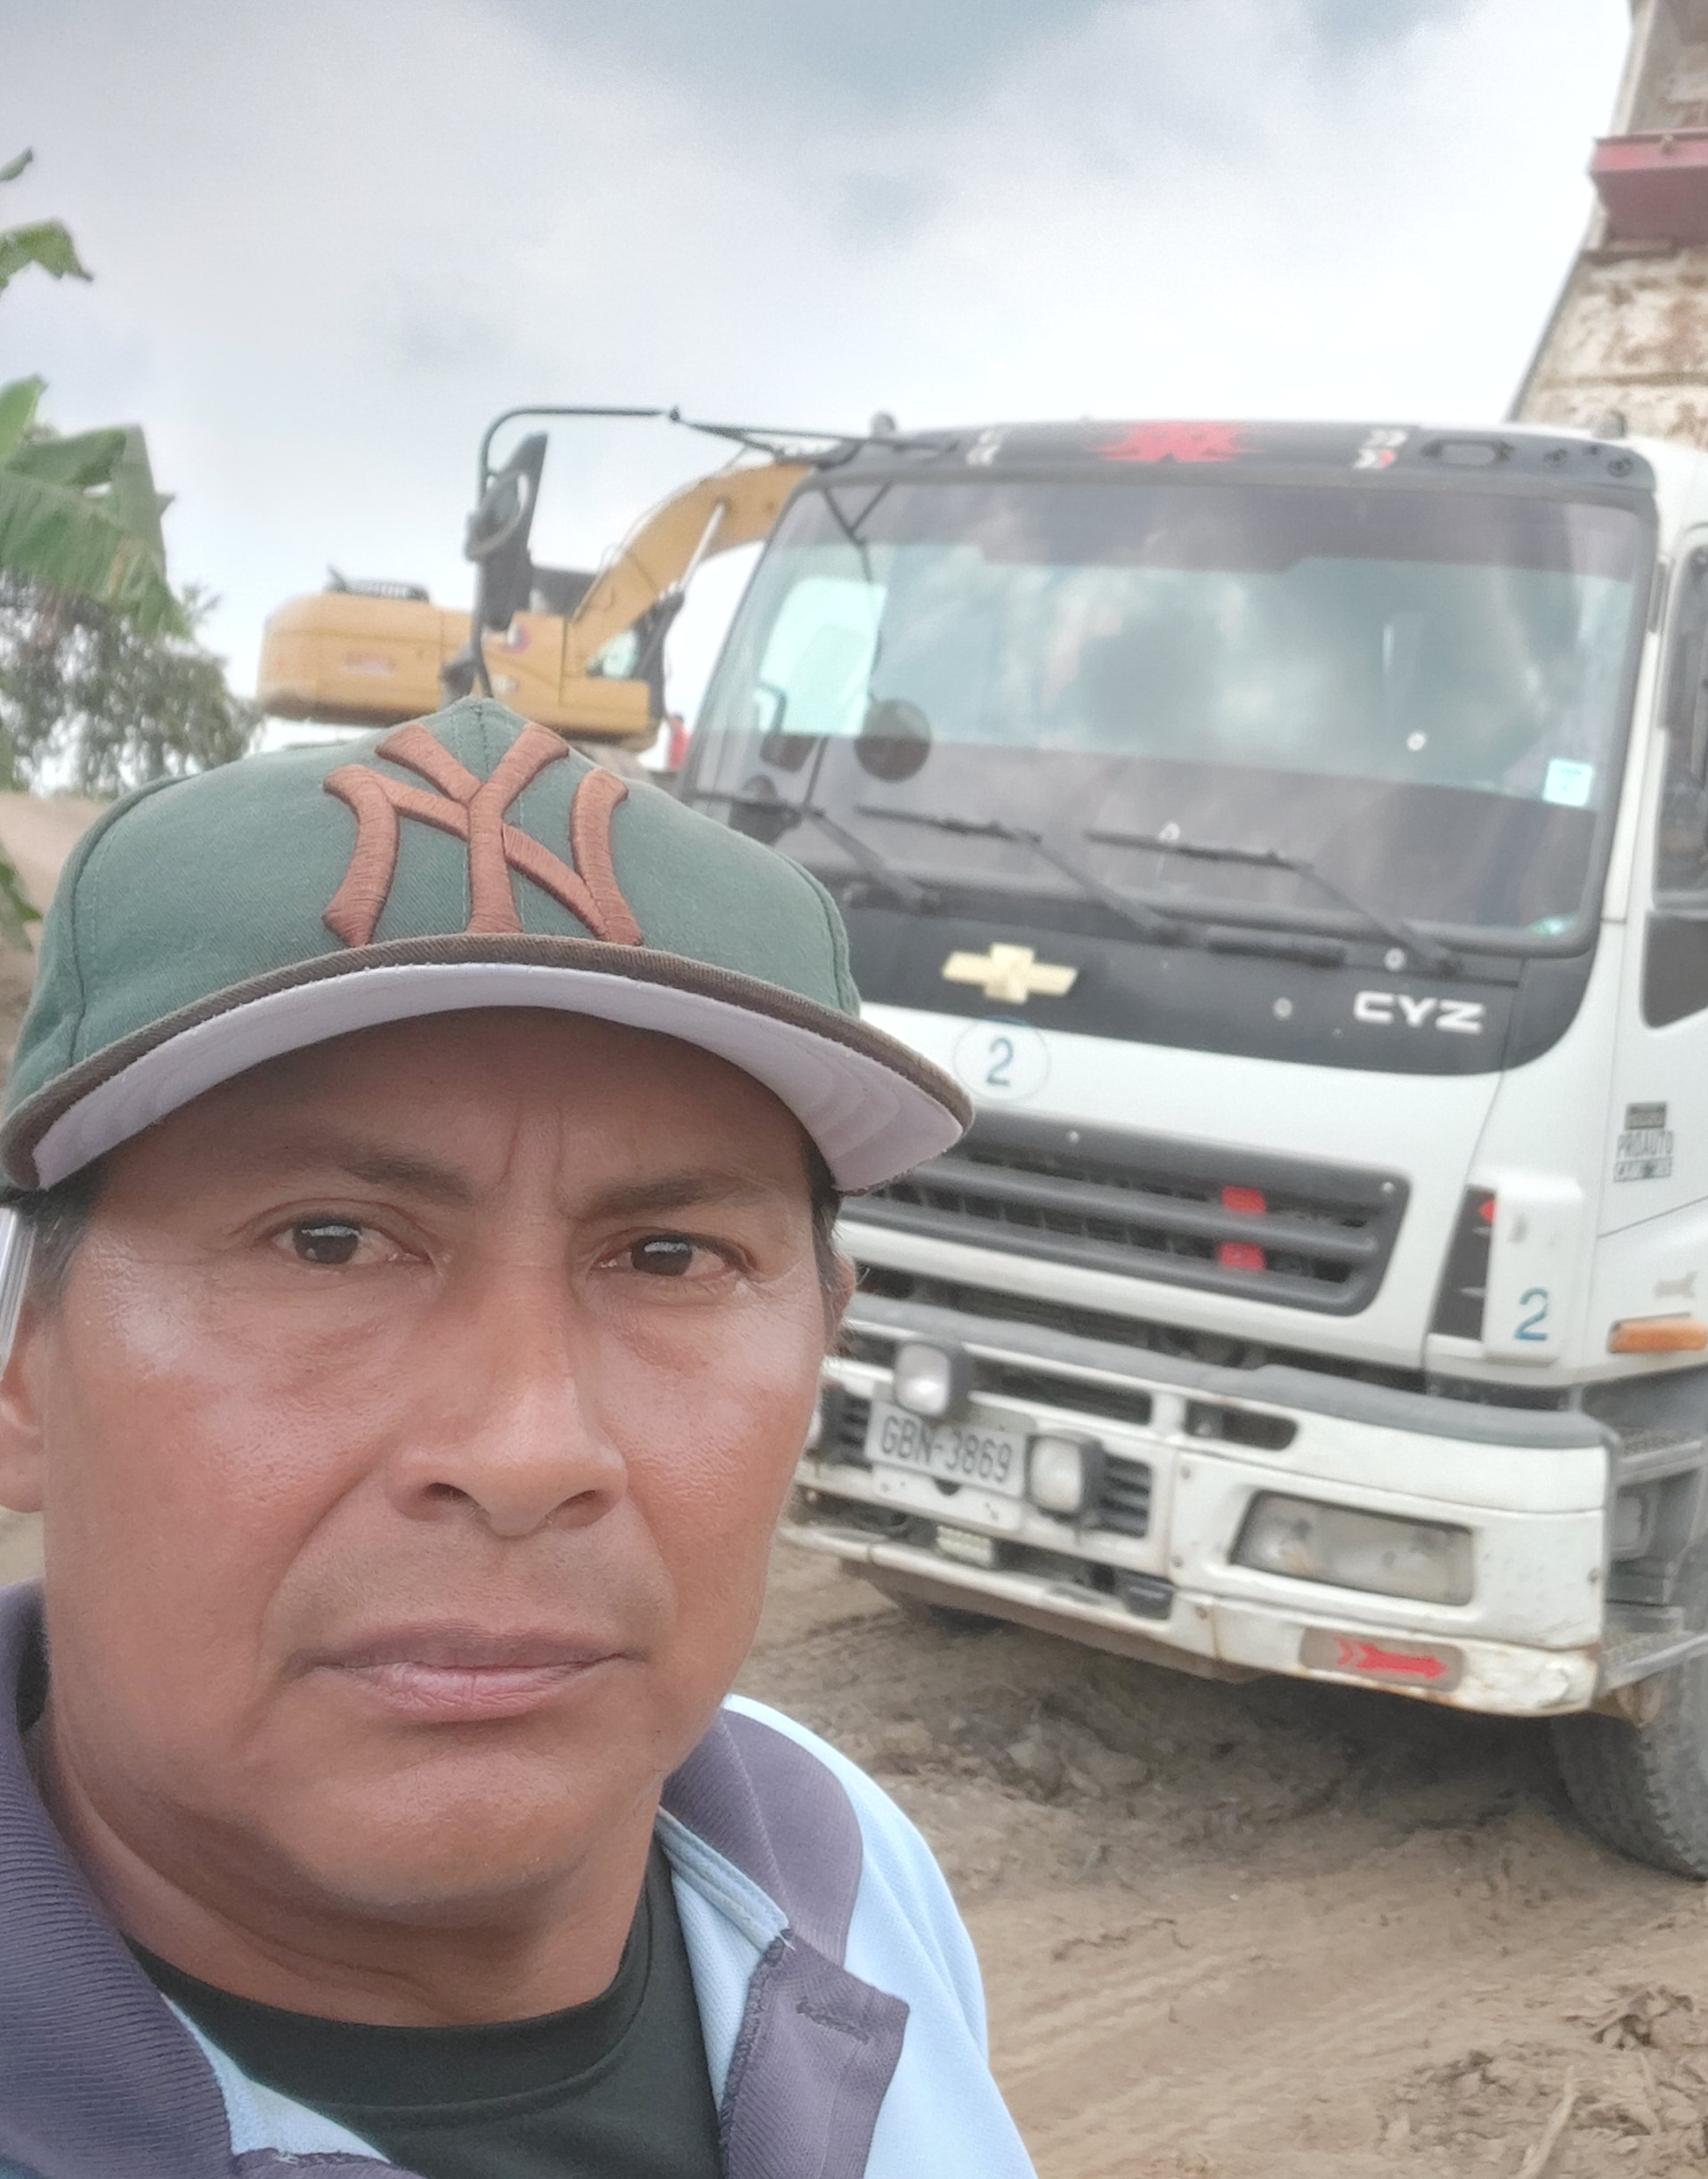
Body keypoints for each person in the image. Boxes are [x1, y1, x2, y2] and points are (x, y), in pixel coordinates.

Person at [0, 700, 1033, 2178]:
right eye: (329, 1241)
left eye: (670, 1257)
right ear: (23, 1362)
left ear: (824, 1340)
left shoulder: (840, 1865)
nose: (526, 1451)